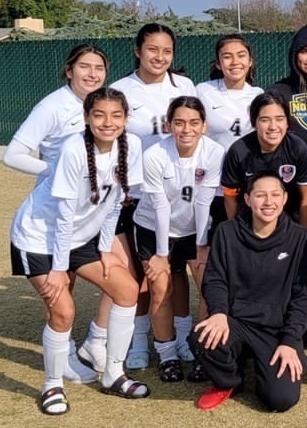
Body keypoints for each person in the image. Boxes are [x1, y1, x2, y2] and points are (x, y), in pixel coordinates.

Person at [9, 87, 148, 415]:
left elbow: (118, 200)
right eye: (99, 115)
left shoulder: (132, 145)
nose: (108, 122)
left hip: (79, 238)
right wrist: (59, 268)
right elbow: (64, 214)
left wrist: (103, 247)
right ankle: (52, 384)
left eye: (116, 115)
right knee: (63, 310)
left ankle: (114, 372)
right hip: (38, 237)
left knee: (127, 289)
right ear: (87, 118)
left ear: (126, 119)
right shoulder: (74, 149)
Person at [3, 44, 115, 384]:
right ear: (69, 70)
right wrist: (56, 169)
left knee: (77, 282)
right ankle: (62, 359)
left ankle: (85, 346)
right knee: (60, 298)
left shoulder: (102, 105)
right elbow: (13, 154)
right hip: (48, 220)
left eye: (99, 67)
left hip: (81, 218)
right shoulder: (53, 105)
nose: (92, 73)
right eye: (84, 66)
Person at [189, 170, 307, 413]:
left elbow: (302, 296)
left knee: (280, 400)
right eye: (260, 195)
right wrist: (219, 313)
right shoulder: (227, 232)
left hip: (275, 330)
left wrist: (289, 340)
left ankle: (265, 369)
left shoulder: (299, 237)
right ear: (247, 199)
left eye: (275, 194)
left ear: (285, 199)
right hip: (236, 322)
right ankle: (230, 381)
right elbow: (215, 280)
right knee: (201, 337)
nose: (269, 202)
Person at [111, 23, 198, 369]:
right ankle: (139, 340)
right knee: (140, 273)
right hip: (134, 194)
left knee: (175, 272)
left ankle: (181, 336)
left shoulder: (184, 86)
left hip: (179, 195)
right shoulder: (120, 90)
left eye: (166, 51)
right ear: (137, 50)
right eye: (152, 49)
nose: (159, 57)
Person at [132, 97, 225, 382]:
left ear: (205, 126)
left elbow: (204, 202)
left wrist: (200, 245)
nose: (187, 129)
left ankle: (200, 352)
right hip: (153, 228)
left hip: (194, 229)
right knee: (160, 287)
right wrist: (161, 253)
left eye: (194, 122)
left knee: (208, 287)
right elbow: (160, 207)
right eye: (180, 122)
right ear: (169, 125)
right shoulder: (155, 155)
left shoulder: (214, 152)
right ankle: (168, 354)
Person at [196, 34, 264, 241]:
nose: (235, 62)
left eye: (241, 55)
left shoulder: (258, 94)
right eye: (227, 56)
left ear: (250, 61)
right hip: (213, 188)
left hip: (247, 187)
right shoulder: (202, 91)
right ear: (218, 63)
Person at [220, 92, 307, 226]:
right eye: (265, 120)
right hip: (249, 225)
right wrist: (235, 234)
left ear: (287, 122)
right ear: (254, 123)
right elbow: (230, 199)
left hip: (288, 226)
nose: (273, 127)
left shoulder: (297, 148)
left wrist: (303, 236)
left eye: (279, 119)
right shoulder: (238, 151)